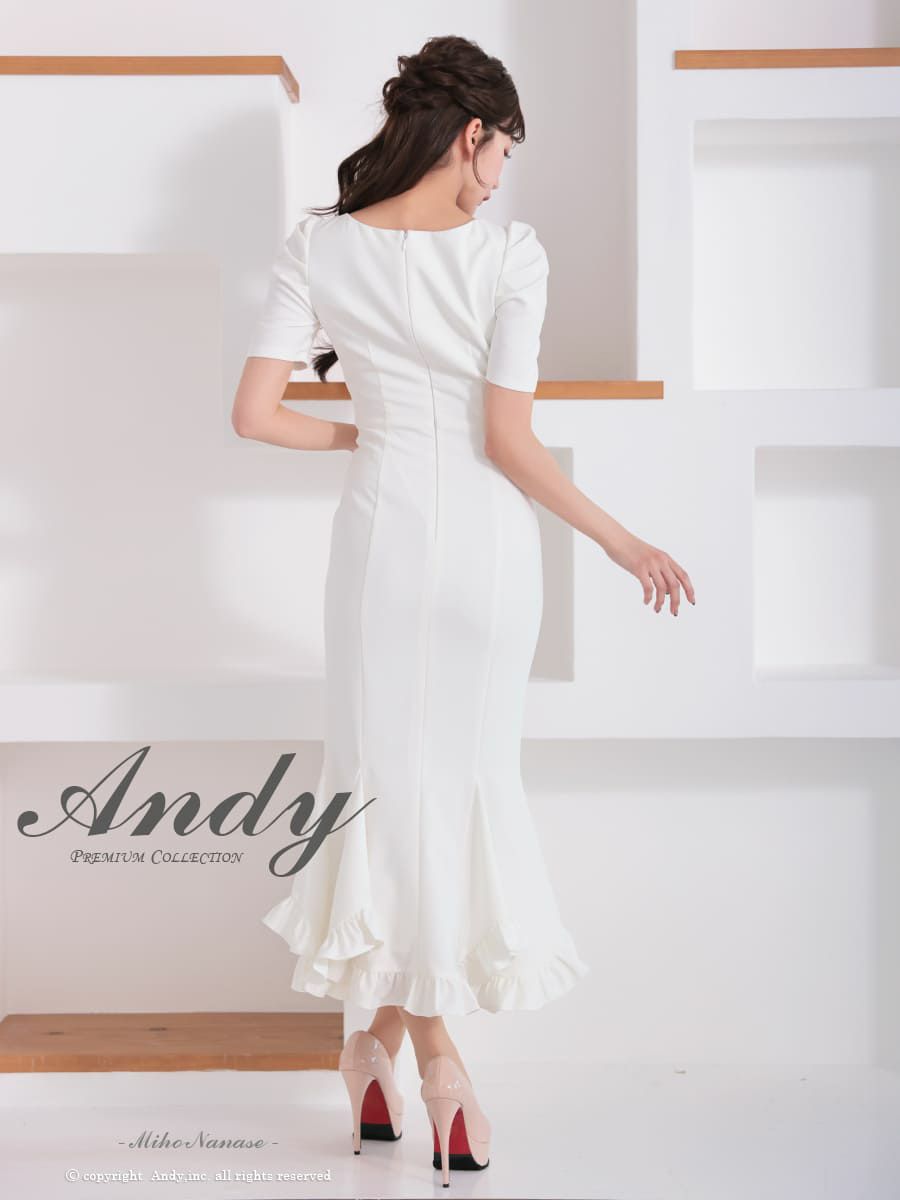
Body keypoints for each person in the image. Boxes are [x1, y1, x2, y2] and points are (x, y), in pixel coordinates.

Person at [233, 33, 695, 1187]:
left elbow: (255, 416)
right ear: (471, 134)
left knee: (386, 793)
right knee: (462, 787)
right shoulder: (509, 258)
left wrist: (369, 434)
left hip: (379, 548)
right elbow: (508, 443)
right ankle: (439, 1065)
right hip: (488, 558)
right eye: (502, 155)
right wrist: (624, 542)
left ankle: (374, 1051)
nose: (498, 182)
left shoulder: (319, 247)